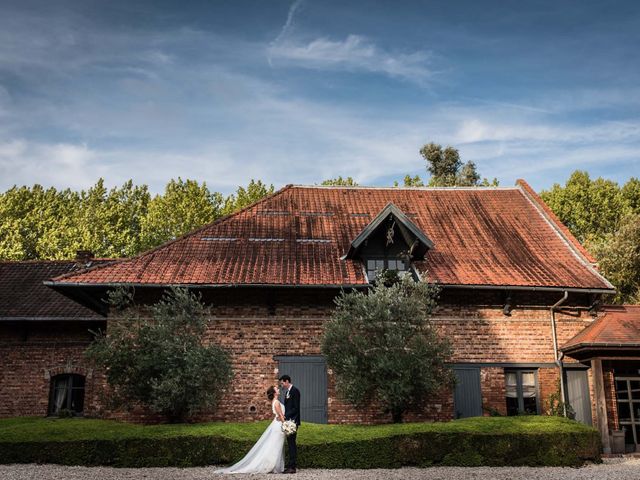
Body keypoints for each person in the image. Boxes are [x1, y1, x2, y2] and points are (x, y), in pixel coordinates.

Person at [215, 385, 286, 474]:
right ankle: (270, 466)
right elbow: (281, 416)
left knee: (275, 445)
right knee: (275, 446)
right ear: (274, 392)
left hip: (277, 424)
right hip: (279, 426)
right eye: (277, 389)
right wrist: (286, 425)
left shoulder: (274, 401)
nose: (278, 389)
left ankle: (273, 465)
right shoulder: (277, 402)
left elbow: (278, 416)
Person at [279, 375, 301, 474]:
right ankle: (291, 464)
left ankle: (292, 467)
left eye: (282, 383)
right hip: (288, 421)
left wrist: (284, 415)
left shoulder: (294, 391)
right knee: (290, 443)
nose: (282, 385)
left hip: (293, 421)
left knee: (292, 444)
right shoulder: (288, 392)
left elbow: (295, 408)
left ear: (287, 381)